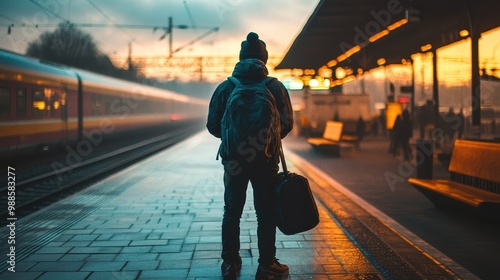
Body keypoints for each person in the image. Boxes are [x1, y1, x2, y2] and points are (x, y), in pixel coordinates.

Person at [206, 32, 293, 279]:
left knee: (231, 211)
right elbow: (287, 124)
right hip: (266, 161)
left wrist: (234, 139)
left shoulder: (227, 87)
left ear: (241, 58)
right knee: (265, 212)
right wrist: (266, 141)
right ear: (264, 59)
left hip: (235, 161)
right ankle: (267, 264)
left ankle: (230, 263)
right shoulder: (274, 87)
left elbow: (212, 125)